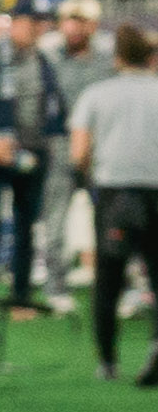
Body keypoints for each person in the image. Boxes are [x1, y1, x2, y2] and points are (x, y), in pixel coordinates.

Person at [0, 4, 69, 314]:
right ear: (15, 23)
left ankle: (21, 297)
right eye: (30, 22)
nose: (37, 28)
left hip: (33, 153)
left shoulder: (46, 61)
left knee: (27, 226)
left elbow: (55, 108)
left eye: (41, 22)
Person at [78, 23, 158, 385]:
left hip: (114, 193)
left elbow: (80, 150)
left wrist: (87, 174)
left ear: (118, 58)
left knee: (109, 279)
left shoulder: (97, 94)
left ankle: (108, 360)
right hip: (155, 191)